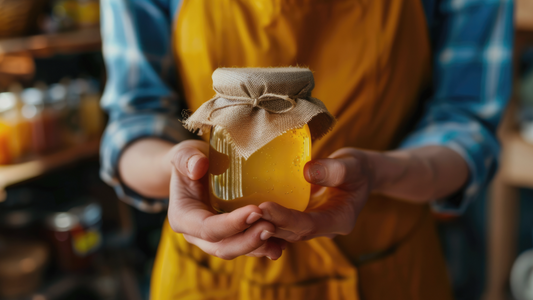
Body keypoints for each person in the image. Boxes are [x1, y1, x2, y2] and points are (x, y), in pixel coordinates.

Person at [99, 0, 513, 299]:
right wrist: (177, 165)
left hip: (389, 267)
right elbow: (135, 119)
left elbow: (465, 121)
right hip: (210, 280)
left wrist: (381, 171)